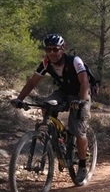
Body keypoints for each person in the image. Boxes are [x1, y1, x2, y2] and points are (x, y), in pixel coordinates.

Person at [11, 34, 91, 184]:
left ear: (63, 48)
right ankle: (55, 137)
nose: (52, 53)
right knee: (46, 104)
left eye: (56, 49)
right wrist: (20, 99)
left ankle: (82, 166)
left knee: (78, 129)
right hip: (63, 93)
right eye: (49, 49)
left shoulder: (74, 61)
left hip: (80, 93)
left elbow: (84, 81)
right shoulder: (46, 63)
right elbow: (32, 83)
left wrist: (81, 100)